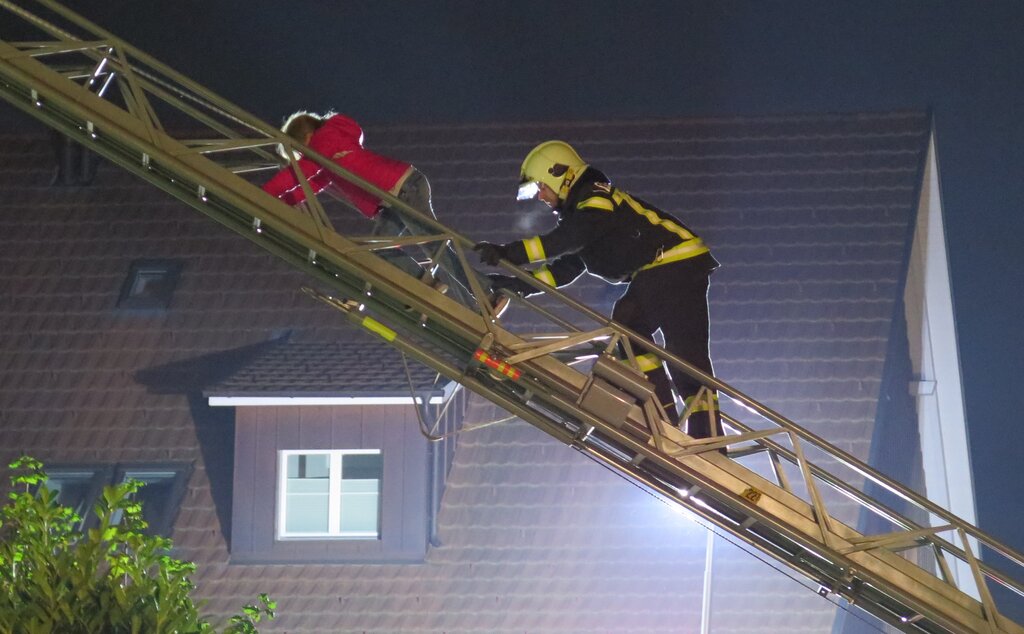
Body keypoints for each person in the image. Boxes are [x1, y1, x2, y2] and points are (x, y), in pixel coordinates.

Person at [475, 140, 722, 440]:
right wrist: (520, 284)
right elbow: (567, 266)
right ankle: (681, 427)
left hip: (674, 264)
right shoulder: (586, 210)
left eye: (542, 186)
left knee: (652, 336)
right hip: (676, 266)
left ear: (559, 174)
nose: (540, 195)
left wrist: (509, 253)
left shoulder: (596, 199)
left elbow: (565, 240)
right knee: (661, 343)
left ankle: (682, 428)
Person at [263, 111, 499, 311]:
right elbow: (312, 182)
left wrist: (267, 193)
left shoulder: (324, 141)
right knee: (382, 252)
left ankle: (486, 294)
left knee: (434, 246)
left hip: (401, 190)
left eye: (299, 152)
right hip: (395, 195)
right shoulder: (328, 150)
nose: (301, 157)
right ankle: (423, 284)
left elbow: (300, 173)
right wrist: (284, 199)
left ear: (306, 138)